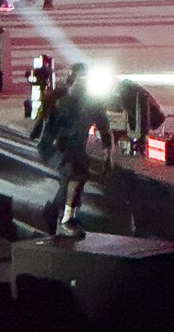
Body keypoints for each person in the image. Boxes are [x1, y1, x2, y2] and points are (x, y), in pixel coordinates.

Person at [31, 63, 113, 235]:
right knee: (74, 173)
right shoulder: (61, 99)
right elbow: (44, 123)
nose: (82, 84)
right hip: (54, 147)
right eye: (79, 80)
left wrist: (108, 156)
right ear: (72, 80)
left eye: (85, 80)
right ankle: (66, 219)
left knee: (77, 176)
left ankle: (57, 212)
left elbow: (105, 130)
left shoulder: (93, 104)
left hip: (76, 149)